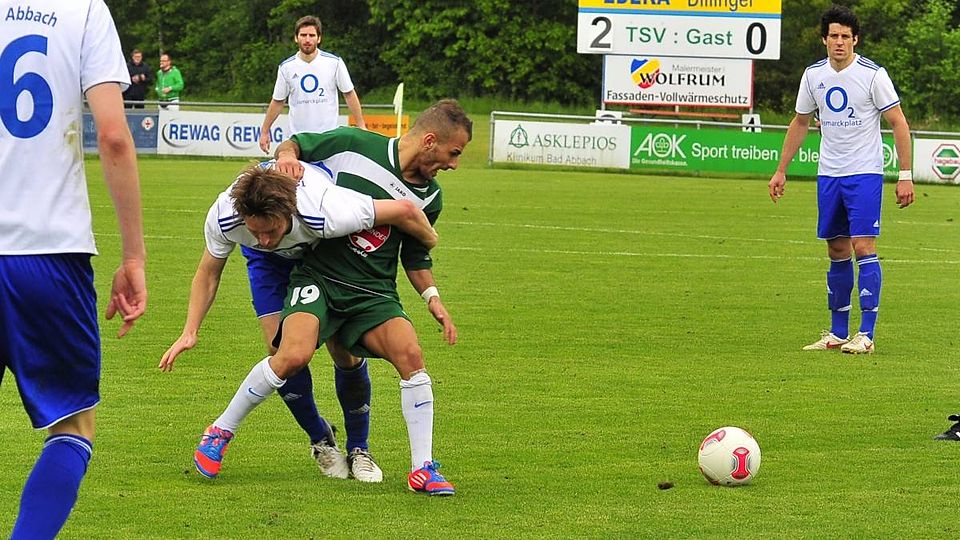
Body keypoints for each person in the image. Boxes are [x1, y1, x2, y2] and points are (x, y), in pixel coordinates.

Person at [195, 99, 470, 496]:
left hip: (373, 290)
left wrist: (432, 296)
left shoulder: (432, 197)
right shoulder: (354, 147)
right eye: (453, 153)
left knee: (409, 356)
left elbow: (414, 254)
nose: (454, 164)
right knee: (290, 355)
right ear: (430, 140)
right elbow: (296, 145)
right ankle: (223, 430)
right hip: (318, 276)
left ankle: (417, 467)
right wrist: (286, 156)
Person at [161, 160, 439, 481]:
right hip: (267, 266)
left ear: (289, 212)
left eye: (270, 230)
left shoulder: (327, 210)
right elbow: (208, 272)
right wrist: (190, 331)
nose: (264, 239)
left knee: (343, 350)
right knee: (282, 351)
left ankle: (359, 448)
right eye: (254, 231)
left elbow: (403, 210)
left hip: (323, 257)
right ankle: (320, 439)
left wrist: (429, 240)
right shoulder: (225, 217)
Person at [0, 1, 148, 537]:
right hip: (49, 252)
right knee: (73, 426)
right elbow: (113, 136)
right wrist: (133, 256)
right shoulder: (83, 10)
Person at [767, 5, 914, 355]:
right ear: (824, 39)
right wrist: (781, 169)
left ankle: (867, 334)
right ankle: (837, 332)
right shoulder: (813, 76)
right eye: (833, 35)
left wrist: (905, 175)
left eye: (845, 36)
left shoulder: (872, 75)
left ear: (855, 40)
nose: (839, 42)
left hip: (865, 172)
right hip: (829, 174)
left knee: (863, 246)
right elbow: (801, 121)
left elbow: (898, 122)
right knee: (836, 249)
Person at [258, 15, 366, 154]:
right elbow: (278, 101)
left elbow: (349, 94)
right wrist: (265, 131)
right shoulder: (286, 67)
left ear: (319, 38)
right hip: (297, 140)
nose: (307, 40)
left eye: (312, 35)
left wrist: (361, 126)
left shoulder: (334, 63)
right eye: (303, 35)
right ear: (296, 38)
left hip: (328, 138)